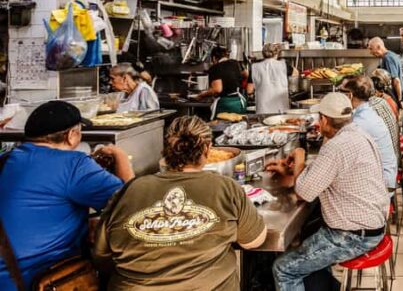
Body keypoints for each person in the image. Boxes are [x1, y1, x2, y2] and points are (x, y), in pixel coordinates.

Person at [93, 115, 266, 289]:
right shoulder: (226, 187)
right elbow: (253, 241)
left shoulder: (129, 190)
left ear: (167, 150)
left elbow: (101, 255)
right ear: (207, 149)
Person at [0, 101, 133, 290]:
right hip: (39, 281)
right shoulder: (74, 164)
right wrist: (120, 156)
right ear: (72, 135)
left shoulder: (5, 161)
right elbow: (132, 204)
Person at [269, 93, 388, 291]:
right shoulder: (358, 133)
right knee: (309, 232)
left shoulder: (336, 147)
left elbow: (303, 192)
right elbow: (321, 174)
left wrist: (299, 158)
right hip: (372, 224)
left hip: (353, 237)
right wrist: (292, 170)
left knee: (284, 268)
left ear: (324, 120)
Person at [338, 75, 397, 190]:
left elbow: (340, 150)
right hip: (386, 175)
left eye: (341, 92)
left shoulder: (359, 122)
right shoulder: (366, 111)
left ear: (349, 95)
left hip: (382, 184)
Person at [368, 37, 403, 135]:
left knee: (401, 130)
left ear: (378, 47)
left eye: (371, 49)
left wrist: (400, 100)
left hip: (396, 98)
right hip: (398, 97)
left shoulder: (388, 58)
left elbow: (396, 80)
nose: (370, 52)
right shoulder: (391, 55)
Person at [196, 46, 247, 118]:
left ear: (214, 58)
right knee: (239, 125)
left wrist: (202, 95)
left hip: (226, 104)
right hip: (239, 102)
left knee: (221, 127)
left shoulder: (215, 68)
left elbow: (217, 89)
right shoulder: (236, 63)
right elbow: (246, 74)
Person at [247, 43, 291, 114]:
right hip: (281, 109)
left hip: (263, 109)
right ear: (276, 53)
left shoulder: (254, 67)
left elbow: (249, 90)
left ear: (263, 54)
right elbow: (296, 73)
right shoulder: (284, 64)